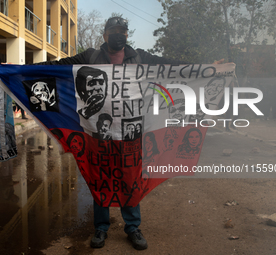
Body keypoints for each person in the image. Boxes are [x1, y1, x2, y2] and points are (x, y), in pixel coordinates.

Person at [35, 16, 224, 250]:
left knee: (130, 177)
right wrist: (20, 70)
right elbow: (57, 67)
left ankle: (133, 227)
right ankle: (101, 228)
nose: (119, 35)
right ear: (105, 35)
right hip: (98, 133)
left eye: (122, 31)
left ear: (127, 34)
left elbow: (174, 67)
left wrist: (208, 68)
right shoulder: (90, 57)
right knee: (99, 176)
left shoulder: (140, 57)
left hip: (132, 134)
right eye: (114, 31)